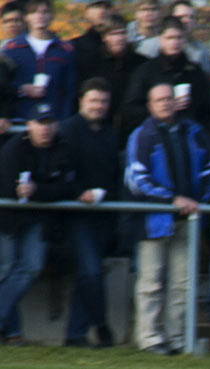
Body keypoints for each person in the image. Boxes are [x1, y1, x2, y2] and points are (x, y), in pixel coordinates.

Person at [125, 83, 210, 355]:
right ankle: (150, 337)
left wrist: (201, 200)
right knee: (152, 281)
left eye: (169, 98)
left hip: (188, 220)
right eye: (159, 100)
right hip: (154, 220)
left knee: (183, 283)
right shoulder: (142, 135)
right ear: (150, 105)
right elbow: (137, 179)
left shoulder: (195, 132)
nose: (165, 103)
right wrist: (171, 200)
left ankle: (177, 338)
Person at [0, 102, 75, 345]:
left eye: (49, 123)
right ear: (29, 125)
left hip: (38, 219)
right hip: (9, 219)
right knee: (6, 271)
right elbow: (8, 190)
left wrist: (37, 191)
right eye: (40, 124)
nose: (45, 129)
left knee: (31, 267)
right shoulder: (13, 149)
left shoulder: (63, 149)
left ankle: (6, 325)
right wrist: (29, 192)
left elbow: (66, 188)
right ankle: (12, 332)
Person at [60, 78, 119, 348]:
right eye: (94, 100)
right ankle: (101, 326)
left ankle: (75, 334)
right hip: (77, 214)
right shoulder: (68, 131)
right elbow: (61, 171)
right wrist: (78, 192)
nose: (99, 106)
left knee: (88, 275)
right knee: (92, 273)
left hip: (104, 214)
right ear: (82, 101)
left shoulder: (110, 132)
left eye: (104, 101)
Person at [122, 16, 210, 133]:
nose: (175, 42)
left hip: (189, 134)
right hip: (156, 134)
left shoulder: (194, 71)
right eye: (169, 38)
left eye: (179, 37)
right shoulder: (146, 71)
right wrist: (161, 108)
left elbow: (206, 108)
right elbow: (130, 109)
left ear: (185, 39)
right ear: (160, 39)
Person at [76, 13, 147, 143]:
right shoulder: (89, 62)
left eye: (122, 33)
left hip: (133, 131)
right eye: (113, 34)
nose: (119, 38)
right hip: (97, 131)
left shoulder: (141, 64)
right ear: (104, 37)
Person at [3, 0, 76, 121]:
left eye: (45, 12)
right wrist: (21, 89)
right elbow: (4, 86)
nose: (40, 16)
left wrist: (65, 120)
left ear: (52, 15)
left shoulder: (65, 50)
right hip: (19, 119)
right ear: (26, 17)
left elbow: (70, 91)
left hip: (54, 119)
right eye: (34, 12)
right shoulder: (11, 49)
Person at [137, 1, 210, 75]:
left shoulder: (200, 49)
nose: (187, 21)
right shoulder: (149, 46)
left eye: (191, 17)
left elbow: (207, 76)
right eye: (181, 17)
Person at [71, 0, 110, 64]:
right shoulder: (75, 46)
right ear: (86, 13)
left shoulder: (123, 46)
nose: (102, 11)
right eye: (97, 7)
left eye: (107, 7)